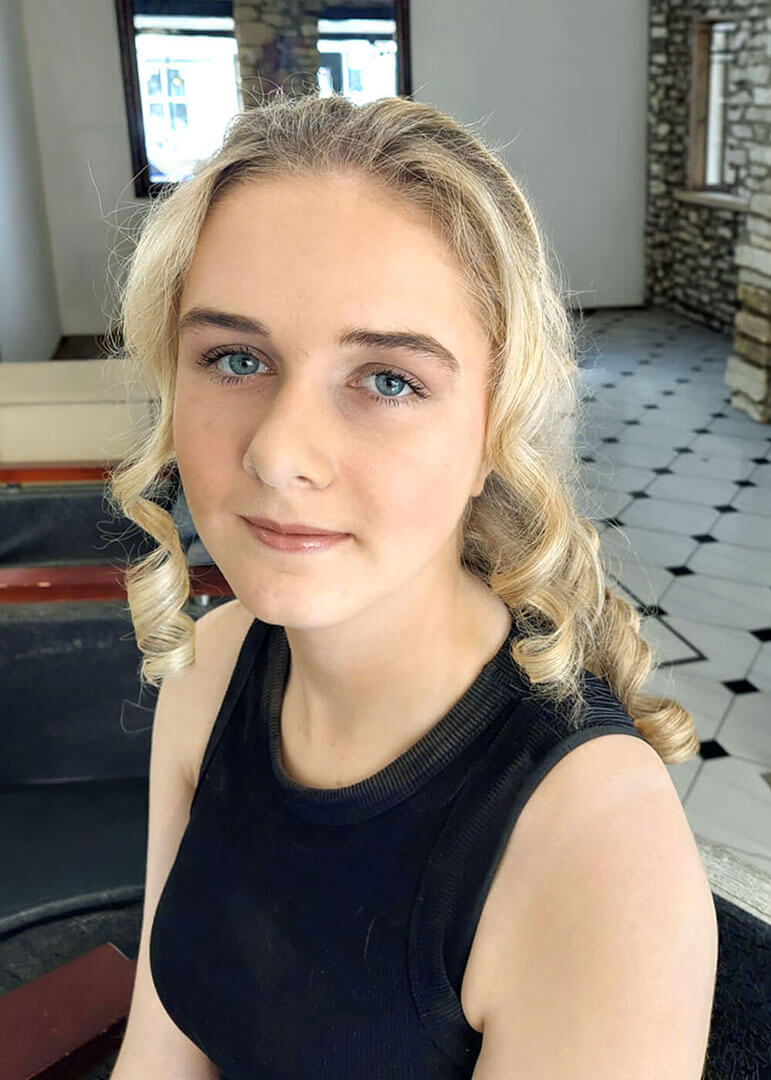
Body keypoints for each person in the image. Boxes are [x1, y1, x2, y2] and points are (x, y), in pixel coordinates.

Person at [106, 89, 718, 1080]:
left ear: (494, 429)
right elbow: (161, 1046)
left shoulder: (598, 854)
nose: (279, 453)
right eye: (235, 357)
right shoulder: (209, 669)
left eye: (387, 378)